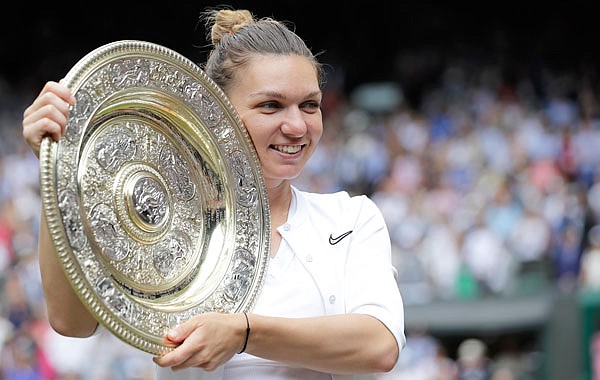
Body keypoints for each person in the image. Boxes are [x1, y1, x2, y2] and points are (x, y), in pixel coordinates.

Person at [21, 7, 405, 379]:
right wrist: (58, 167)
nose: (297, 126)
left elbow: (379, 346)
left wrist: (243, 333)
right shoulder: (153, 220)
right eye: (271, 106)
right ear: (214, 111)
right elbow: (71, 323)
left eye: (310, 105)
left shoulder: (350, 218)